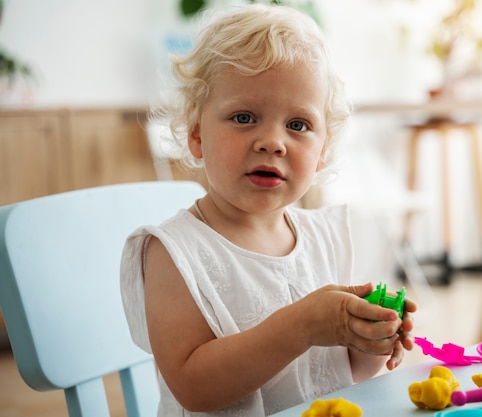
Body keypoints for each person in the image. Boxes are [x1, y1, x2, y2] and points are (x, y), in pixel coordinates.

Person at [121, 4, 417, 416]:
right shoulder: (174, 251)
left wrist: (371, 341)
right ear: (196, 135)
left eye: (297, 125)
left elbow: (344, 373)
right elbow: (194, 389)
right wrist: (301, 326)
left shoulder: (325, 237)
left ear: (323, 150)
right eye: (244, 117)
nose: (272, 142)